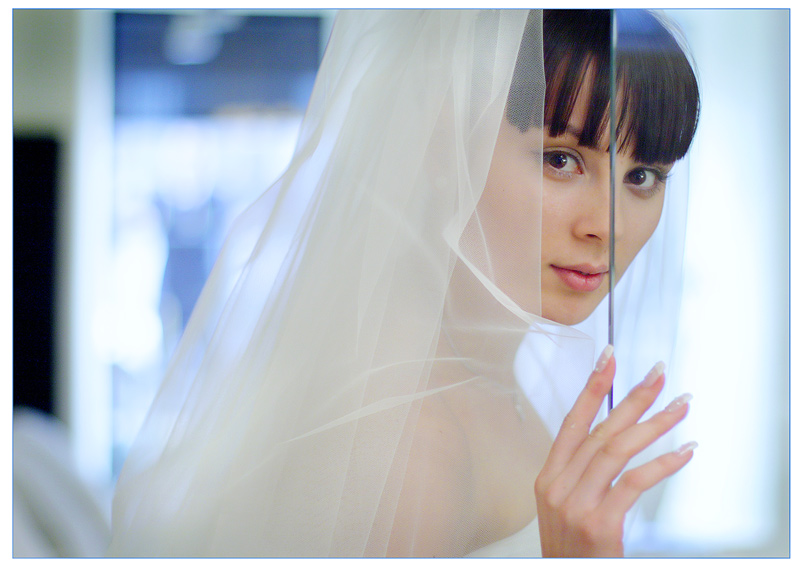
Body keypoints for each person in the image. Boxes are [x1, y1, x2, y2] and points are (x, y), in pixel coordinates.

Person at [108, 9, 700, 557]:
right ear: (446, 146)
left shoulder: (483, 376)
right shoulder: (408, 450)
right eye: (561, 159)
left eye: (644, 175)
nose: (607, 226)